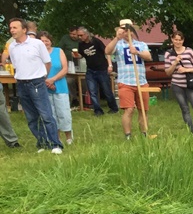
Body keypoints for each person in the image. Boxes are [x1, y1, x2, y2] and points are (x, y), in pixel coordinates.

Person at [4, 19, 63, 153]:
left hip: (36, 82)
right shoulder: (12, 47)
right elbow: (15, 64)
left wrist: (43, 77)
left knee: (46, 115)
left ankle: (56, 144)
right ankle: (42, 143)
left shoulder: (37, 44)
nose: (12, 30)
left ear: (24, 30)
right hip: (21, 84)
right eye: (11, 28)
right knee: (31, 117)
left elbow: (47, 63)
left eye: (15, 27)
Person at [105, 22, 152, 139]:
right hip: (125, 82)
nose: (127, 33)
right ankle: (128, 135)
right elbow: (107, 51)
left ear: (133, 31)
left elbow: (149, 57)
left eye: (128, 30)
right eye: (124, 30)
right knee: (129, 109)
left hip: (141, 82)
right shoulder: (118, 44)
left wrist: (137, 52)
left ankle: (145, 134)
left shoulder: (141, 44)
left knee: (143, 110)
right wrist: (116, 38)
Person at [164, 31, 193, 134]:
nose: (178, 42)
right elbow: (167, 72)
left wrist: (186, 69)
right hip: (177, 84)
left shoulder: (189, 51)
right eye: (176, 39)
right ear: (172, 40)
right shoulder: (168, 53)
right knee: (185, 109)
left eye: (180, 40)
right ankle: (191, 133)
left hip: (191, 84)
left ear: (183, 40)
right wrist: (175, 62)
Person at [39, 31, 74, 145]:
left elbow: (64, 69)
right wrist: (46, 82)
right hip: (44, 87)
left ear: (50, 41)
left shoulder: (59, 51)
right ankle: (56, 138)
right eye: (42, 41)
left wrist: (52, 79)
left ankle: (69, 137)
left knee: (64, 113)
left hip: (60, 86)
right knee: (51, 115)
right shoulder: (37, 54)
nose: (44, 43)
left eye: (46, 40)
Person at [75, 27, 118, 116]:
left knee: (107, 90)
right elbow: (81, 55)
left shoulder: (96, 41)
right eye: (78, 35)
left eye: (81, 35)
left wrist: (110, 65)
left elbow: (107, 52)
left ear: (86, 34)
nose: (79, 37)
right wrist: (76, 55)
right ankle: (97, 110)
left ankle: (113, 108)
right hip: (90, 70)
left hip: (101, 69)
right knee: (92, 91)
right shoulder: (81, 44)